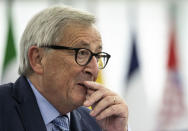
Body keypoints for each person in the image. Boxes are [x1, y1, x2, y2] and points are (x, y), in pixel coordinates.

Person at [0, 5, 129, 131]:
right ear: (38, 59)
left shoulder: (97, 122)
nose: (94, 70)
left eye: (97, 56)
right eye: (82, 53)